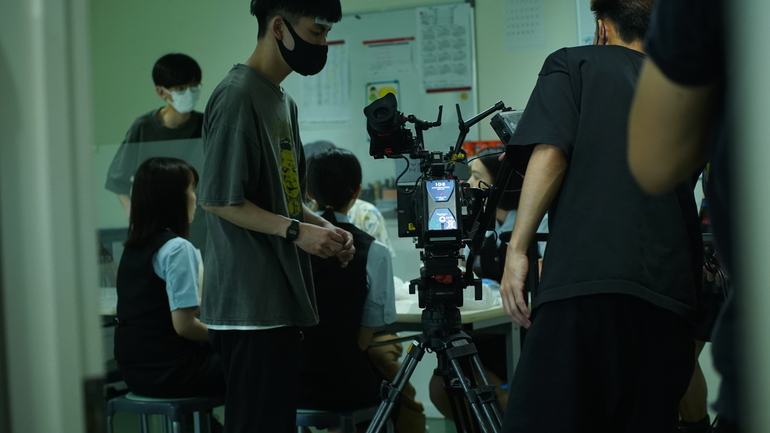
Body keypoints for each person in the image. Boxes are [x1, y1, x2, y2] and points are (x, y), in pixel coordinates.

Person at [498, 0, 703, 431]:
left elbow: (551, 153)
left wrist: (517, 250)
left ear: (602, 29)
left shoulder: (573, 64)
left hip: (584, 285)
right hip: (670, 297)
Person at [196, 1, 349, 432]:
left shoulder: (283, 102)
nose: (323, 44)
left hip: (278, 302)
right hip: (248, 307)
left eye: (326, 34)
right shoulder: (237, 96)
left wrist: (325, 227)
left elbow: (287, 198)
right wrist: (298, 232)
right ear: (279, 27)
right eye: (316, 33)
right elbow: (219, 199)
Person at [627, 0, 737, 430]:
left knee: (678, 356)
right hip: (715, 253)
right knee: (681, 356)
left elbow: (653, 161)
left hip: (725, 257)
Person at [113, 157, 224, 429]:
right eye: (192, 190)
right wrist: (228, 339)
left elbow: (160, 308)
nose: (196, 198)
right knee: (254, 364)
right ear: (174, 198)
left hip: (136, 373)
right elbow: (184, 326)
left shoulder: (133, 248)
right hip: (172, 373)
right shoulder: (177, 248)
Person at [297, 148, 397, 431]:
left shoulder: (288, 242)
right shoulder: (374, 250)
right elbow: (368, 333)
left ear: (308, 193)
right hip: (344, 382)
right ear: (357, 192)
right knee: (393, 395)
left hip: (288, 381)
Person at [105, 53, 204, 218]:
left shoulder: (207, 124)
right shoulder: (144, 127)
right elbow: (117, 179)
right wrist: (135, 218)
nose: (189, 93)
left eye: (194, 85)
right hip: (157, 222)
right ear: (161, 92)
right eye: (180, 88)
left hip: (200, 222)